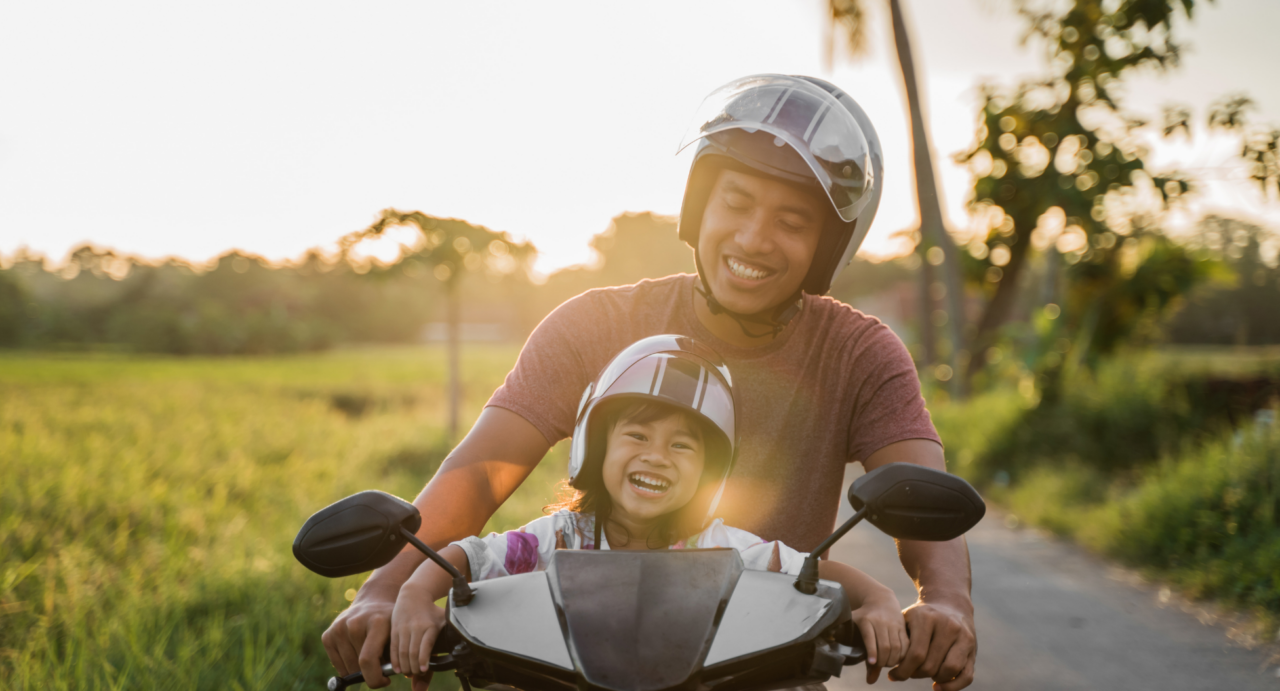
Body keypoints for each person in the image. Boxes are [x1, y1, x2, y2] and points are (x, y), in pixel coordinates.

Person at [323, 74, 977, 691]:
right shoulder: (595, 321)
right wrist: (388, 588)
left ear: (827, 245)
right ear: (699, 205)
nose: (754, 238)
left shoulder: (858, 350)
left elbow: (919, 488)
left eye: (792, 221)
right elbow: (481, 471)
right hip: (574, 665)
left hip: (765, 667)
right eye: (738, 202)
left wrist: (944, 601)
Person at [388, 337, 908, 689]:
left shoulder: (725, 549)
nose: (656, 455)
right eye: (636, 435)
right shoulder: (560, 537)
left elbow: (811, 571)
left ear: (709, 472)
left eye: (683, 446)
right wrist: (412, 595)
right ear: (595, 446)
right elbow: (470, 559)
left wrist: (879, 599)